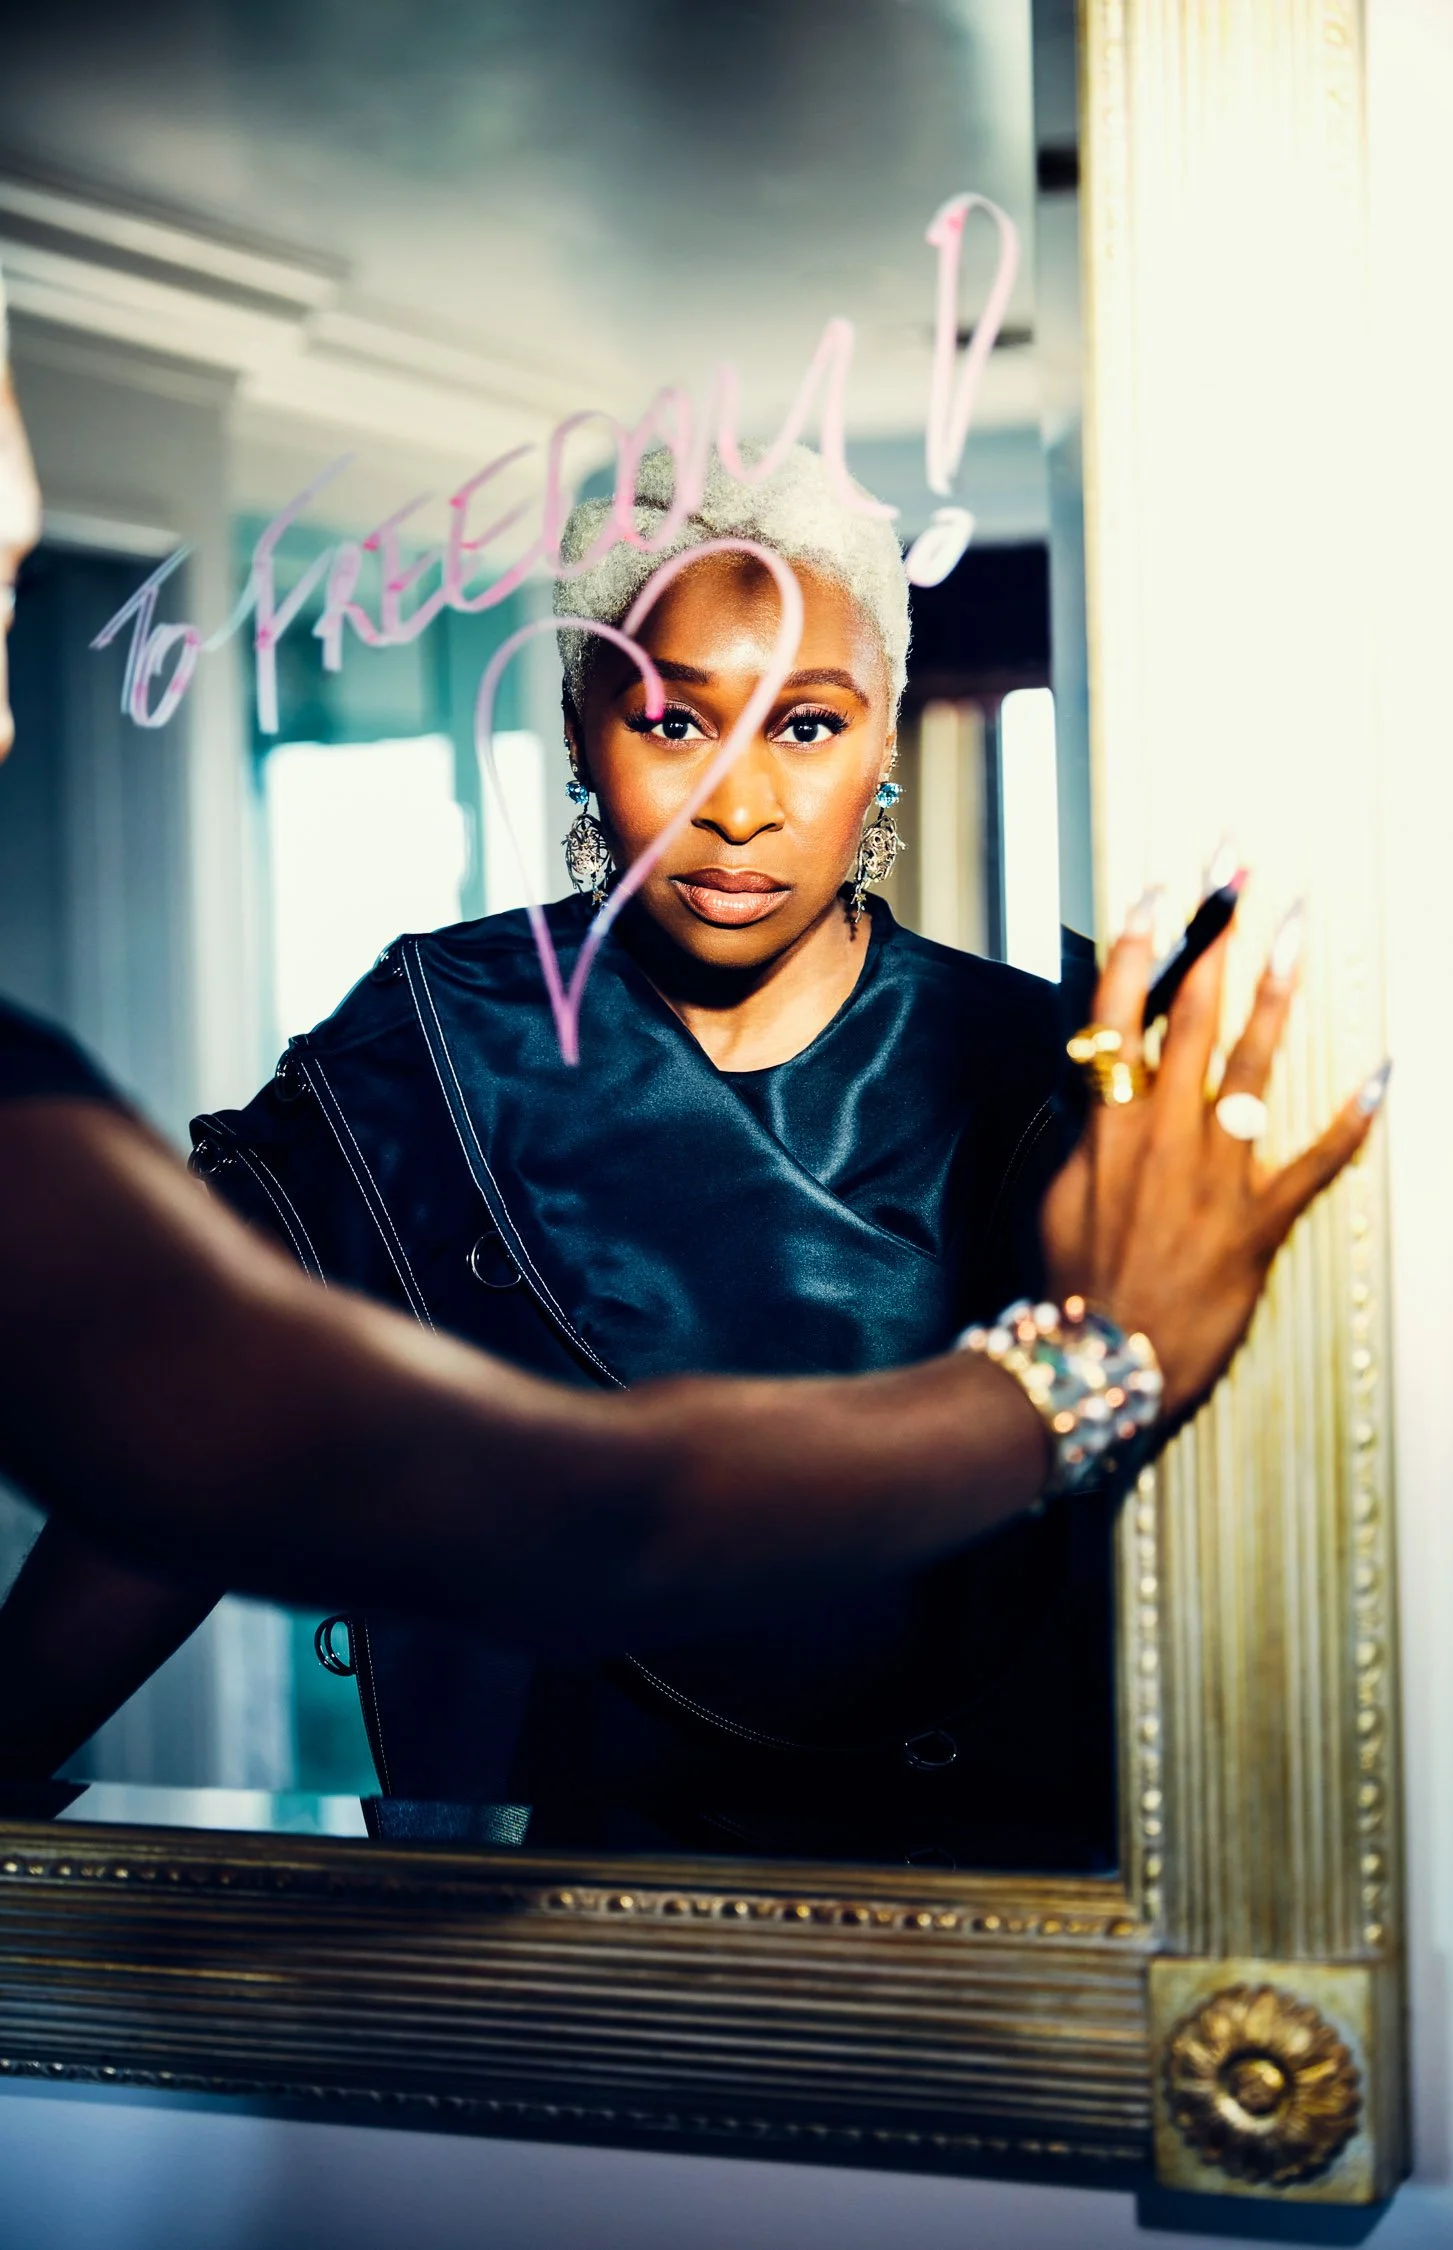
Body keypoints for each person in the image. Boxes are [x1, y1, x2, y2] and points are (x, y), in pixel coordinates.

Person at [0, 271, 1383, 1858]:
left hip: (975, 1928)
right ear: (581, 724)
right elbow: (176, 1486)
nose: (738, 801)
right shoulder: (427, 1054)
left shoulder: (1043, 1076)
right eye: (670, 718)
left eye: (804, 726)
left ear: (881, 739)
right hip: (533, 1945)